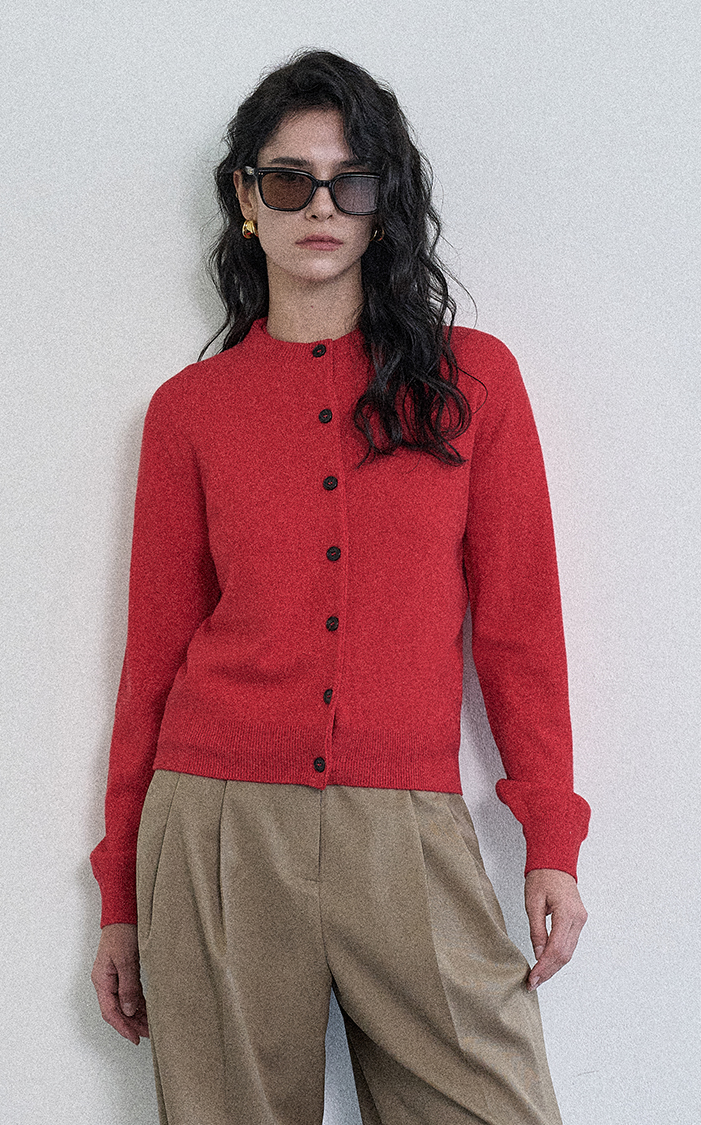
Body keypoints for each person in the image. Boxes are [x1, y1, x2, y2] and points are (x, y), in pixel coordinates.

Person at [90, 49, 590, 1125]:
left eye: (350, 181)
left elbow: (520, 626)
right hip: (217, 828)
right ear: (246, 200)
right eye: (289, 180)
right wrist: (119, 891)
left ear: (382, 202)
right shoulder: (190, 411)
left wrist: (551, 832)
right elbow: (154, 659)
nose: (321, 206)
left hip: (406, 831)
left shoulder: (472, 383)